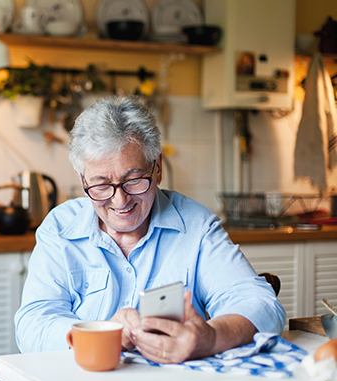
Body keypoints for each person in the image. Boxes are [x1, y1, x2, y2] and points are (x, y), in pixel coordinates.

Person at [14, 95, 285, 365]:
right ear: (81, 178)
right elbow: (33, 324)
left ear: (157, 168)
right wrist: (101, 334)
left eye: (133, 180)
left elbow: (261, 305)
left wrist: (211, 337)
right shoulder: (60, 228)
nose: (120, 201)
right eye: (100, 185)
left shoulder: (196, 226)